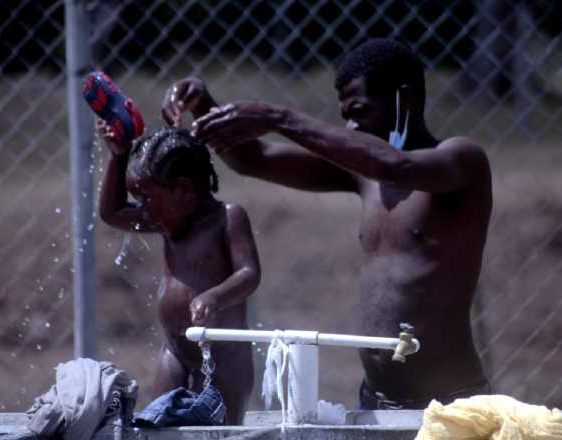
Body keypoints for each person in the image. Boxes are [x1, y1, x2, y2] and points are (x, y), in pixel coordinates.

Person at [162, 38, 493, 409]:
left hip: (452, 405)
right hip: (377, 403)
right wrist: (205, 105)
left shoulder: (461, 161)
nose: (351, 126)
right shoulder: (365, 176)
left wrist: (279, 118)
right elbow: (254, 159)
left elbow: (398, 167)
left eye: (360, 111)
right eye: (345, 116)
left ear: (405, 99)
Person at [97, 122, 261, 423]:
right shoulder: (166, 220)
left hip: (225, 359)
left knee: (219, 433)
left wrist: (215, 297)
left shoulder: (227, 219)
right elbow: (112, 212)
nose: (142, 209)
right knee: (154, 426)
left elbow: (249, 273)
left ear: (184, 190)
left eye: (147, 198)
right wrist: (118, 156)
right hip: (174, 353)